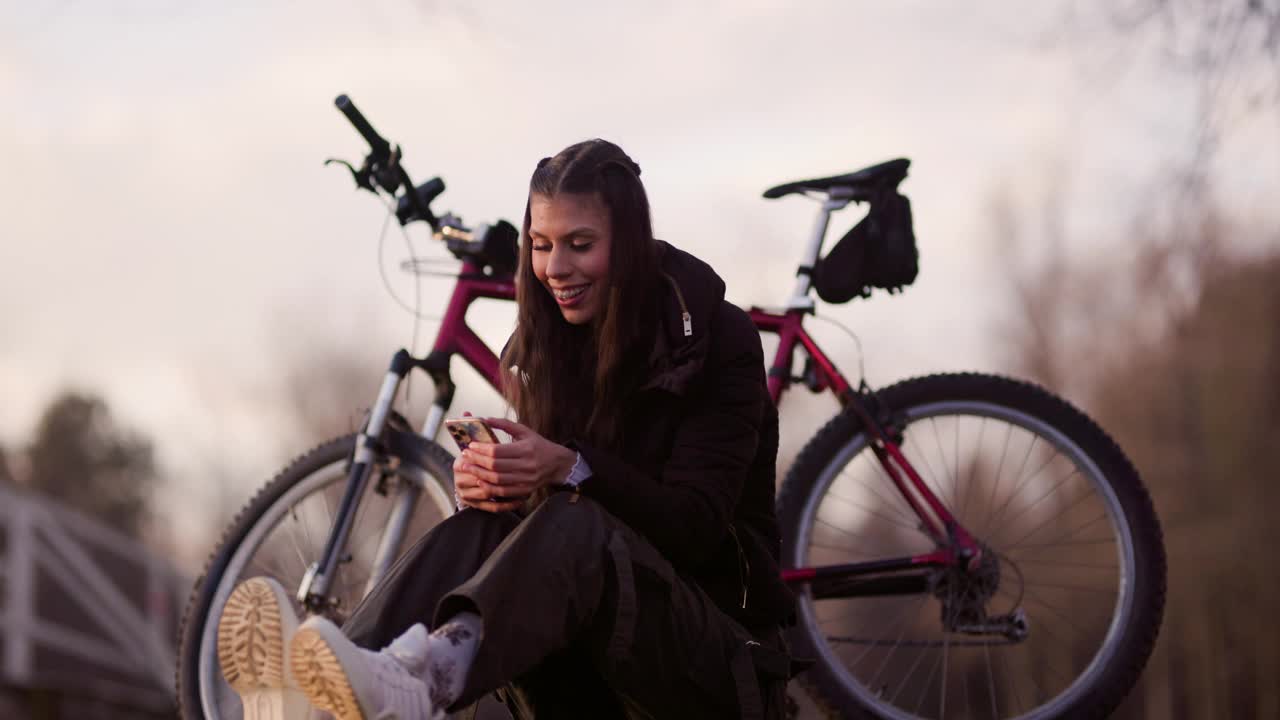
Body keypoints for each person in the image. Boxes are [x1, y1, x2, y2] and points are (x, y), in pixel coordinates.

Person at [215, 139, 796, 720]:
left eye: (580, 245)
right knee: (477, 530)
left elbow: (693, 527)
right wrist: (504, 487)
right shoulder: (545, 351)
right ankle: (324, 699)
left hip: (720, 664)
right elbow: (559, 545)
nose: (556, 269)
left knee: (574, 519)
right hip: (595, 661)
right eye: (540, 246)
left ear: (630, 242)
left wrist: (567, 467)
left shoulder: (719, 340)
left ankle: (428, 680)